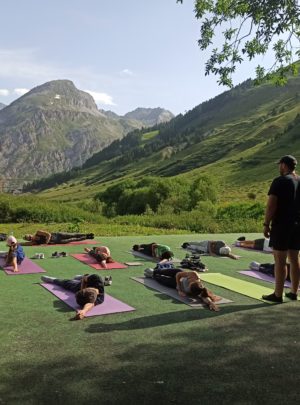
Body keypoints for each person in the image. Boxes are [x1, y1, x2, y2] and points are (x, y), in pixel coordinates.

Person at [262, 155, 300, 303]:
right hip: (298, 225)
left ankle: (278, 295)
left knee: (280, 260)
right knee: (295, 259)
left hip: (282, 225)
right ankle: (293, 292)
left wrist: (266, 224)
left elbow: (271, 205)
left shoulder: (280, 181)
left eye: (280, 165)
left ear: (284, 165)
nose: (279, 167)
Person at [146, 266, 220, 311]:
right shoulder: (194, 274)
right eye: (190, 284)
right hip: (178, 275)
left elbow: (205, 297)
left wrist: (211, 303)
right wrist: (179, 289)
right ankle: (154, 271)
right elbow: (178, 275)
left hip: (174, 283)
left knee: (162, 280)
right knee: (163, 271)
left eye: (189, 287)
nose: (189, 285)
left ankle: (152, 275)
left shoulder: (199, 290)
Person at [41, 273, 110, 320]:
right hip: (83, 282)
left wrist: (83, 311)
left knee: (68, 285)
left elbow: (90, 304)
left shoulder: (100, 299)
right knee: (66, 282)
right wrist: (82, 289)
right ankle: (53, 279)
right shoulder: (96, 278)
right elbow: (84, 280)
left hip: (80, 289)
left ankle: (76, 278)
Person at [22, 230, 94, 245]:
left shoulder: (38, 232)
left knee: (73, 234)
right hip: (57, 241)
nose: (31, 238)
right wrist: (15, 244)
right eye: (30, 239)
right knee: (73, 239)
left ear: (31, 234)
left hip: (58, 235)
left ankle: (86, 234)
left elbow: (48, 234)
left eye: (30, 237)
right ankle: (87, 237)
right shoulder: (35, 242)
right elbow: (26, 244)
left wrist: (46, 242)